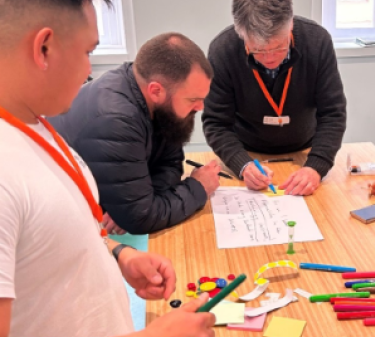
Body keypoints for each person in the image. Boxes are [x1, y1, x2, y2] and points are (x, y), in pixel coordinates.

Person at [0, 1, 215, 336]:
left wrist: (119, 254)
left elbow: (47, 238)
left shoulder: (38, 126)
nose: (91, 72)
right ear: (43, 48)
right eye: (88, 50)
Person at [49, 32, 221, 235]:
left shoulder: (151, 96)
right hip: (65, 223)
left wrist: (134, 204)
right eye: (192, 99)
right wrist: (199, 187)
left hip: (104, 197)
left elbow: (170, 162)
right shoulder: (116, 120)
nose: (200, 107)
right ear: (156, 91)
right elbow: (142, 219)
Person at [202, 0, 347, 196]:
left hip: (305, 152)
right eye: (258, 50)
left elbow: (333, 114)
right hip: (247, 152)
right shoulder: (223, 51)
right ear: (241, 34)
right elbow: (216, 123)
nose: (269, 59)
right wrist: (242, 164)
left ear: (291, 25)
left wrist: (316, 166)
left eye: (279, 47)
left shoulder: (317, 42)